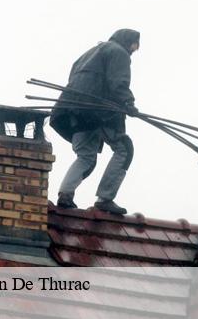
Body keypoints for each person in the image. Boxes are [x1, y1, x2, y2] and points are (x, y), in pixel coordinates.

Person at [49, 28, 141, 215]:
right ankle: (105, 198)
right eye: (135, 45)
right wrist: (128, 103)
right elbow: (118, 82)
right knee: (124, 148)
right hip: (99, 110)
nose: (135, 49)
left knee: (86, 156)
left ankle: (65, 195)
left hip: (73, 109)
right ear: (128, 41)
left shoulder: (89, 53)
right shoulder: (119, 52)